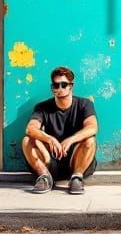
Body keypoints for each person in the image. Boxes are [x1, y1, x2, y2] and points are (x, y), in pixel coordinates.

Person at [21, 66, 98, 194]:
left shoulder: (84, 104)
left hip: (77, 160)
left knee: (90, 140)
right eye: (56, 85)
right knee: (27, 140)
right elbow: (30, 128)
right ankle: (45, 177)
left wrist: (71, 140)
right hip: (51, 162)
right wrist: (50, 139)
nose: (60, 89)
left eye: (64, 85)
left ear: (71, 86)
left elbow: (92, 127)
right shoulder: (42, 107)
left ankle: (77, 178)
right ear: (52, 87)